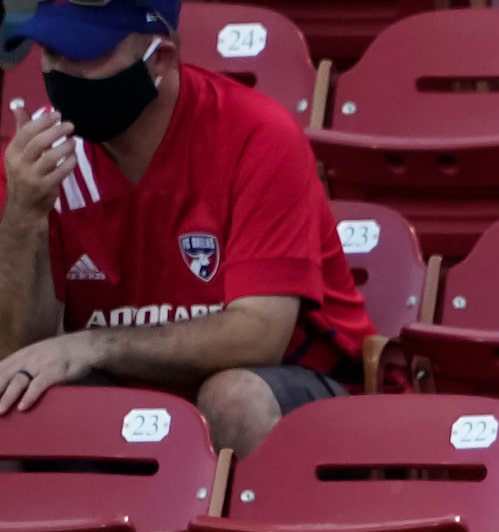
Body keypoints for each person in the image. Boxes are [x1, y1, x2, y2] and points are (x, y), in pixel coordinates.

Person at [0, 0, 375, 454]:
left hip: (293, 385)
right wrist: (23, 216)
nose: (61, 74)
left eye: (83, 54)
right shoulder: (42, 159)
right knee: (15, 400)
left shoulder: (254, 134)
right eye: (51, 53)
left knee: (234, 399)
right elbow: (15, 351)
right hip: (129, 392)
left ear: (159, 59)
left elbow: (259, 337)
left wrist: (94, 345)